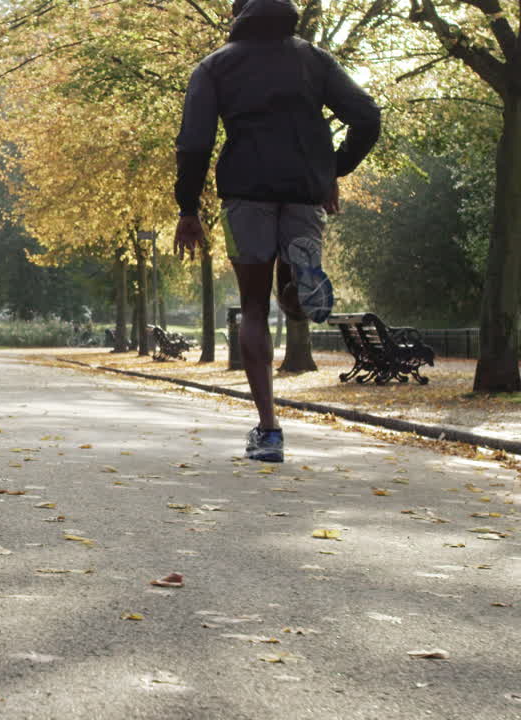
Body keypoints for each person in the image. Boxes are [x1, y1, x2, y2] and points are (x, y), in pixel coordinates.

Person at [173, 0, 379, 463]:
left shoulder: (215, 67)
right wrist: (332, 169)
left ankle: (269, 431)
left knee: (252, 306)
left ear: (238, 15)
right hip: (306, 189)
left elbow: (194, 143)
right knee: (294, 291)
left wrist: (188, 208)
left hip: (246, 192)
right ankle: (298, 274)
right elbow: (367, 116)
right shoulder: (313, 58)